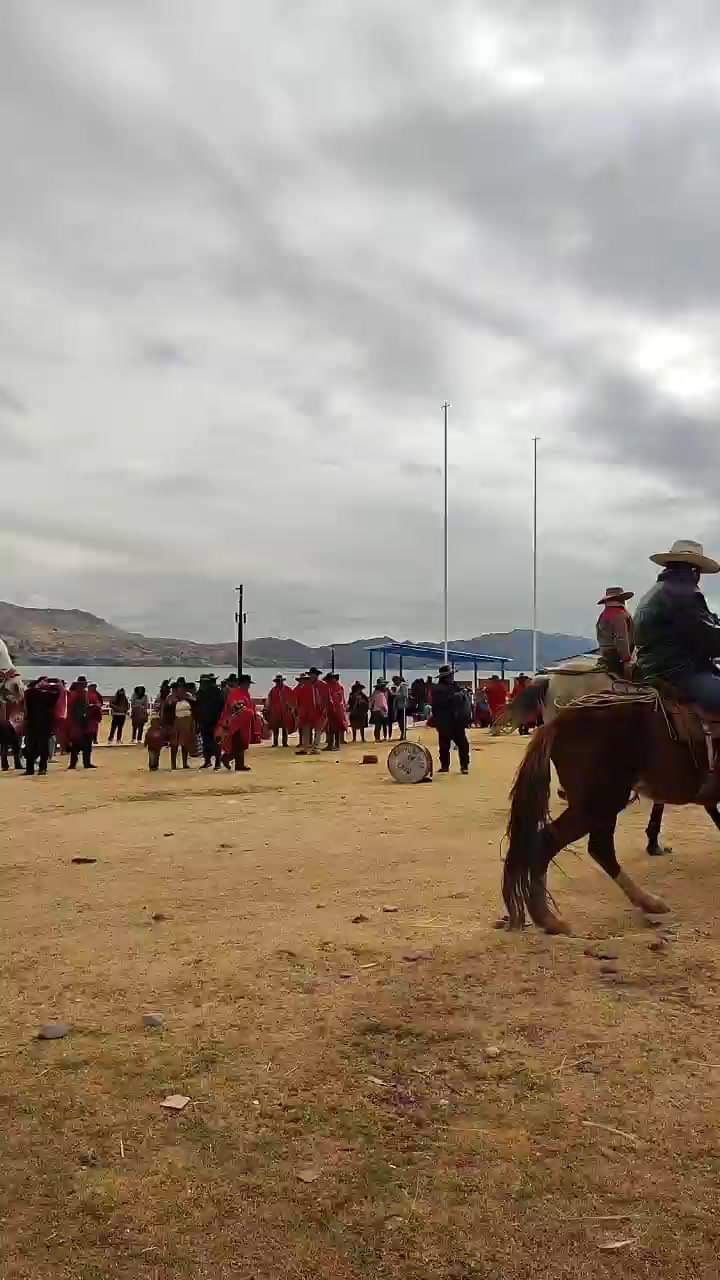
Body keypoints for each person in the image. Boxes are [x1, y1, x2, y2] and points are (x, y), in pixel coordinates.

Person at [431, 664, 471, 774]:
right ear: (445, 677)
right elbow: (438, 704)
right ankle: (445, 766)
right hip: (445, 721)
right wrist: (456, 697)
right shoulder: (438, 689)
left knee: (462, 744)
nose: (452, 677)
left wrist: (461, 695)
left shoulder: (455, 686)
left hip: (456, 721)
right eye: (450, 675)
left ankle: (464, 766)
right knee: (444, 746)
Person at [216, 673, 260, 771]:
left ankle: (238, 763)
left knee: (242, 744)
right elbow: (236, 707)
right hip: (235, 724)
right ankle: (228, 758)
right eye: (247, 684)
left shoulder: (245, 693)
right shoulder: (235, 693)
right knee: (238, 744)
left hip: (244, 723)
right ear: (243, 684)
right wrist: (249, 712)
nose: (248, 686)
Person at [23, 677, 61, 776]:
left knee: (34, 747)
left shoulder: (32, 693)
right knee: (38, 747)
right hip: (40, 724)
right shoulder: (47, 694)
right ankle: (39, 768)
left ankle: (33, 769)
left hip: (36, 724)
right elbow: (59, 691)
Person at [596, 586, 635, 678]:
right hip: (617, 657)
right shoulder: (619, 615)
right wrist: (626, 660)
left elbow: (599, 636)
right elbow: (621, 639)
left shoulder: (603, 615)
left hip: (605, 654)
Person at [164, 678, 196, 769]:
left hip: (187, 721)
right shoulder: (171, 697)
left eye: (183, 687)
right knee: (174, 744)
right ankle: (173, 764)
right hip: (175, 721)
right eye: (179, 687)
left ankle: (185, 763)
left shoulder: (188, 696)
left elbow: (195, 704)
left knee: (185, 743)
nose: (181, 689)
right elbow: (167, 709)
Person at [295, 667, 328, 755]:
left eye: (314, 675)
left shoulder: (323, 685)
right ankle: (305, 748)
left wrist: (325, 709)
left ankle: (315, 748)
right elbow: (299, 698)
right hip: (307, 711)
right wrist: (299, 710)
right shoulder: (305, 686)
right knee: (306, 730)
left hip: (319, 710)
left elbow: (327, 698)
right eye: (311, 675)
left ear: (317, 675)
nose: (312, 676)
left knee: (318, 730)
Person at [195, 674, 225, 768]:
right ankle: (209, 761)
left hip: (214, 720)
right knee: (208, 742)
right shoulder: (201, 693)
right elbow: (198, 707)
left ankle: (216, 762)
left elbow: (222, 706)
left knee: (215, 742)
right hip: (205, 720)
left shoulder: (217, 692)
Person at [66, 678, 96, 770]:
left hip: (79, 722)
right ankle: (82, 763)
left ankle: (76, 763)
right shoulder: (79, 694)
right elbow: (78, 709)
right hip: (80, 722)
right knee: (80, 744)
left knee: (79, 744)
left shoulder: (76, 693)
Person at [265, 674, 296, 748]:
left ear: (282, 681)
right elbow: (269, 700)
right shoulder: (273, 690)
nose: (278, 682)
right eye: (277, 681)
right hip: (275, 712)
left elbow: (293, 699)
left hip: (285, 712)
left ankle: (284, 743)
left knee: (285, 728)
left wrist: (291, 708)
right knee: (275, 728)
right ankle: (275, 743)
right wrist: (267, 708)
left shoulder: (288, 689)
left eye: (279, 681)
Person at [324, 673, 348, 750]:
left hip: (337, 710)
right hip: (332, 709)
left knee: (336, 728)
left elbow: (340, 700)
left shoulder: (338, 687)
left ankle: (336, 745)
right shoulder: (330, 687)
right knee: (331, 728)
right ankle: (331, 745)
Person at [391, 674, 409, 739]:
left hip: (402, 706)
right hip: (400, 706)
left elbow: (404, 695)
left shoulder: (403, 686)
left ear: (398, 680)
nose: (394, 683)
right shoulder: (401, 687)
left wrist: (395, 694)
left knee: (402, 721)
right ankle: (402, 734)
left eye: (395, 681)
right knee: (400, 721)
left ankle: (403, 734)